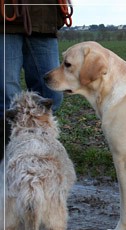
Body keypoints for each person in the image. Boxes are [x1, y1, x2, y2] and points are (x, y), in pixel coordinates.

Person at [0, 0, 73, 159]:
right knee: (6, 98)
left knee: (52, 94)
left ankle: (40, 150)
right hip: (5, 18)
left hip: (44, 18)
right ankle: (9, 160)